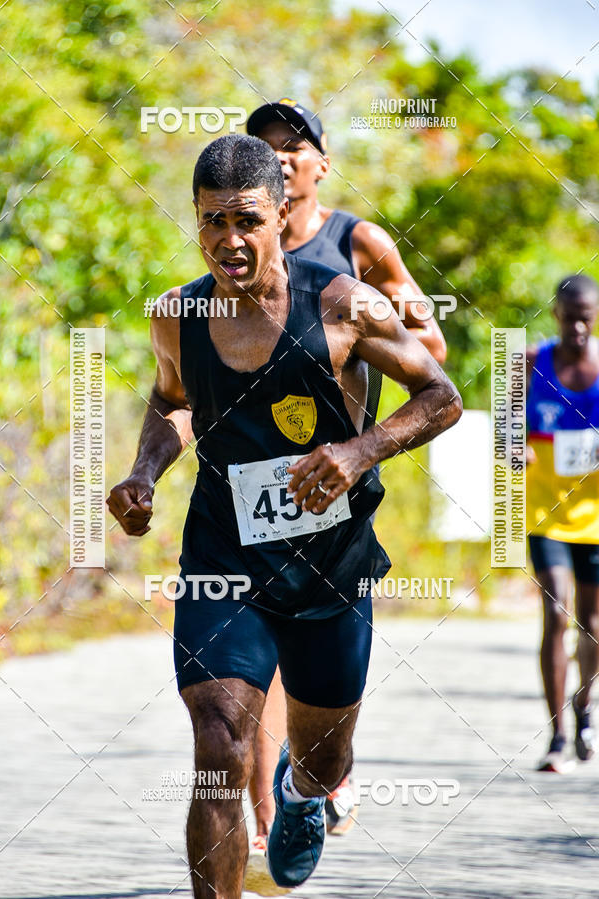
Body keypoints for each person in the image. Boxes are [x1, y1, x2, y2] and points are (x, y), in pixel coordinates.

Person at [107, 134, 462, 898]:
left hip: (331, 563)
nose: (228, 241)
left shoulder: (341, 304)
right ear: (195, 223)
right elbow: (172, 402)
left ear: (280, 214)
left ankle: (304, 794)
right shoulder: (177, 315)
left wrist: (361, 451)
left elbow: (443, 397)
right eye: (211, 223)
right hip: (224, 559)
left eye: (246, 221)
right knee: (219, 743)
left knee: (324, 756)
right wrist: (142, 471)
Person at [243, 98, 448, 875]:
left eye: (295, 148)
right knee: (251, 668)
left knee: (318, 662)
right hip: (258, 489)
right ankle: (270, 825)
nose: (282, 160)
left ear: (323, 163)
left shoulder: (355, 240)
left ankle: (323, 765)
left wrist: (365, 441)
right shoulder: (239, 247)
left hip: (336, 484)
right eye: (265, 149)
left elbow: (428, 345)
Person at [526, 273, 599, 774]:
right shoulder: (528, 363)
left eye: (587, 321)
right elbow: (505, 442)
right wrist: (518, 452)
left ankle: (585, 708)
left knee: (592, 625)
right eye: (570, 319)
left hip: (595, 517)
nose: (578, 330)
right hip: (544, 513)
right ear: (556, 314)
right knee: (556, 614)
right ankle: (555, 735)